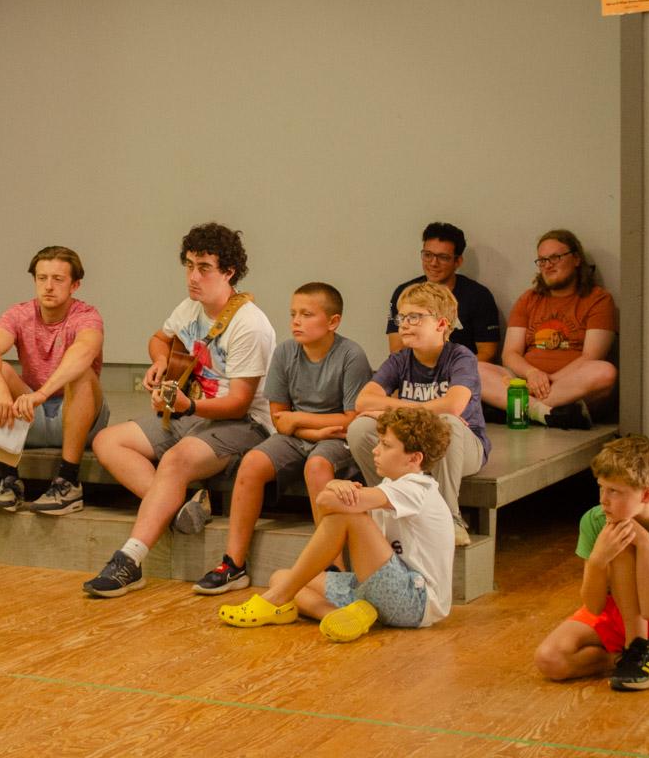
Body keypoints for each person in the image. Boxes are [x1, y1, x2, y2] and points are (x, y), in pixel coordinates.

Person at [84, 223, 276, 597]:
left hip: (242, 423)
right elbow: (160, 339)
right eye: (188, 265)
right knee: (107, 441)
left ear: (229, 272)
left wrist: (189, 405)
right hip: (193, 413)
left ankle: (130, 560)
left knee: (174, 461)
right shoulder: (190, 308)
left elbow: (239, 402)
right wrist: (160, 362)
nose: (192, 277)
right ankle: (182, 507)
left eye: (204, 268)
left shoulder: (250, 324)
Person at [217, 407, 454, 642]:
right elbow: (327, 503)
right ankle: (340, 615)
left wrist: (333, 486)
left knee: (349, 515)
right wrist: (334, 488)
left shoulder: (416, 488)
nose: (375, 450)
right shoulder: (390, 485)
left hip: (415, 600)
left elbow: (327, 503)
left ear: (414, 458)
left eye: (386, 445)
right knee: (281, 578)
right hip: (386, 589)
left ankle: (274, 600)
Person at [194, 282, 371, 595]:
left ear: (333, 321)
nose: (296, 321)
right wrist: (308, 429)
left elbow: (351, 419)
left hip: (336, 437)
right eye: (293, 314)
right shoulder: (285, 352)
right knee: (252, 463)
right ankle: (233, 563)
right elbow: (279, 417)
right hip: (301, 434)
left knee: (317, 466)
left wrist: (300, 420)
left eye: (307, 314)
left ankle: (334, 567)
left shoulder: (351, 355)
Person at [533, 435, 649, 692]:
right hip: (614, 609)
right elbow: (594, 605)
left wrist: (645, 545)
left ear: (646, 494)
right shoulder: (593, 520)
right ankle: (639, 656)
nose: (604, 499)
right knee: (550, 660)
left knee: (622, 545)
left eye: (615, 491)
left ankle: (640, 649)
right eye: (601, 487)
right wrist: (598, 560)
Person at [348, 281, 487, 547]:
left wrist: (392, 407)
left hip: (464, 449)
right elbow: (364, 401)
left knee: (446, 423)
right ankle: (388, 503)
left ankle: (449, 517)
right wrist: (424, 411)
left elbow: (453, 407)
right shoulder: (399, 360)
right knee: (360, 428)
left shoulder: (461, 357)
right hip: (413, 448)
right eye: (401, 317)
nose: (404, 325)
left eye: (415, 317)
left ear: (441, 324)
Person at [0, 245, 108, 514]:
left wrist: (42, 393)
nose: (48, 286)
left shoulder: (86, 316)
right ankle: (9, 480)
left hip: (78, 417)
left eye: (58, 279)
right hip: (30, 414)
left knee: (81, 371)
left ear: (75, 285)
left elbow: (85, 351)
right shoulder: (19, 314)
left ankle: (68, 481)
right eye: (42, 278)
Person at [479, 229, 617, 429]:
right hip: (526, 380)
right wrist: (532, 373)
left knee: (605, 372)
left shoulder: (599, 299)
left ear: (576, 259)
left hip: (568, 386)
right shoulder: (529, 299)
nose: (548, 265)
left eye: (555, 258)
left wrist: (547, 381)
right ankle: (544, 413)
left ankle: (514, 407)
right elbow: (510, 354)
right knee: (473, 368)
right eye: (542, 260)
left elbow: (591, 356)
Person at [385, 222, 500, 363]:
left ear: (458, 261)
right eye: (428, 255)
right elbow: (397, 349)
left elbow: (487, 353)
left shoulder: (478, 296)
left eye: (443, 257)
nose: (433, 263)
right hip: (415, 371)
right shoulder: (404, 293)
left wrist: (454, 371)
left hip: (463, 371)